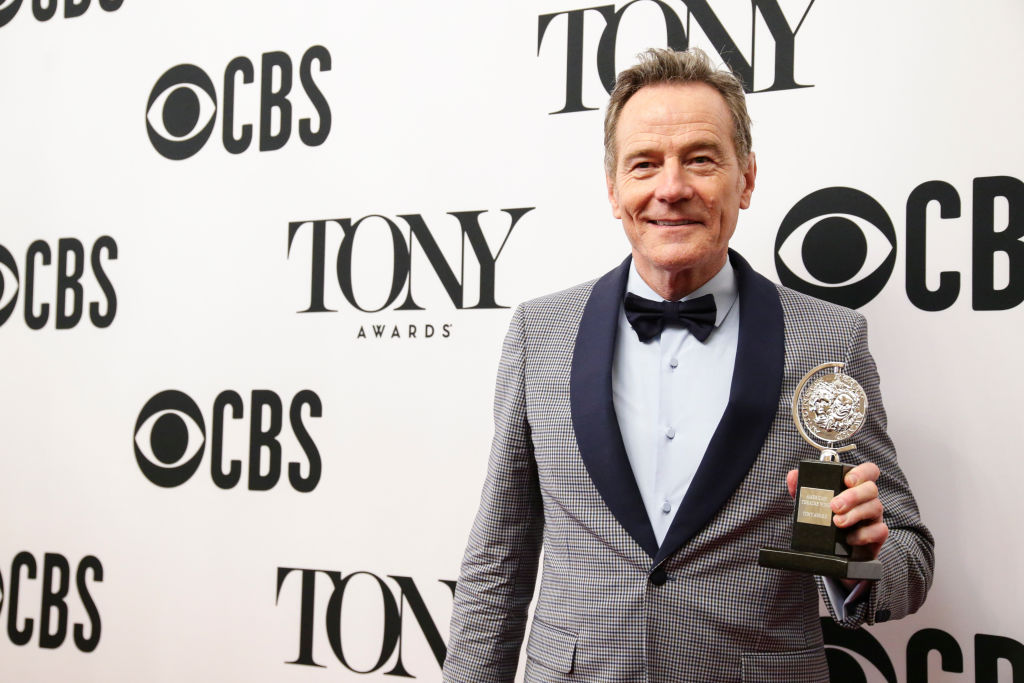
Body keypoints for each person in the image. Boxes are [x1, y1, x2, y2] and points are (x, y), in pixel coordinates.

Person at [443, 47, 933, 682]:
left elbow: (904, 558)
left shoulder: (826, 339)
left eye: (701, 159)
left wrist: (857, 556)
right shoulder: (541, 333)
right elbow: (498, 558)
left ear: (746, 179)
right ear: (614, 189)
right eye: (644, 164)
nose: (671, 189)